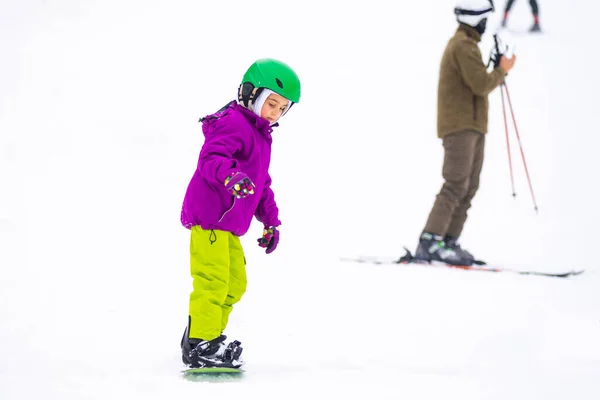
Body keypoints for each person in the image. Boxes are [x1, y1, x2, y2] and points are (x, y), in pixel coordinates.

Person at [179, 58, 301, 368]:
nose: (274, 113)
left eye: (281, 108)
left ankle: (209, 335)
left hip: (229, 225)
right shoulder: (233, 123)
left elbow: (261, 183)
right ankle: (201, 342)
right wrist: (231, 176)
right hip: (210, 219)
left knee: (235, 283)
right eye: (270, 103)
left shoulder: (260, 135)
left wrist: (271, 221)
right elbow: (211, 159)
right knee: (212, 281)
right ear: (250, 94)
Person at [413, 0, 516, 266]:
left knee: (469, 186)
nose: (484, 25)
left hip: (473, 125)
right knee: (456, 183)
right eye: (483, 20)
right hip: (460, 127)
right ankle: (431, 240)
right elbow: (480, 84)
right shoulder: (462, 45)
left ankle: (448, 240)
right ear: (474, 20)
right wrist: (501, 70)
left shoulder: (467, 45)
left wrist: (497, 69)